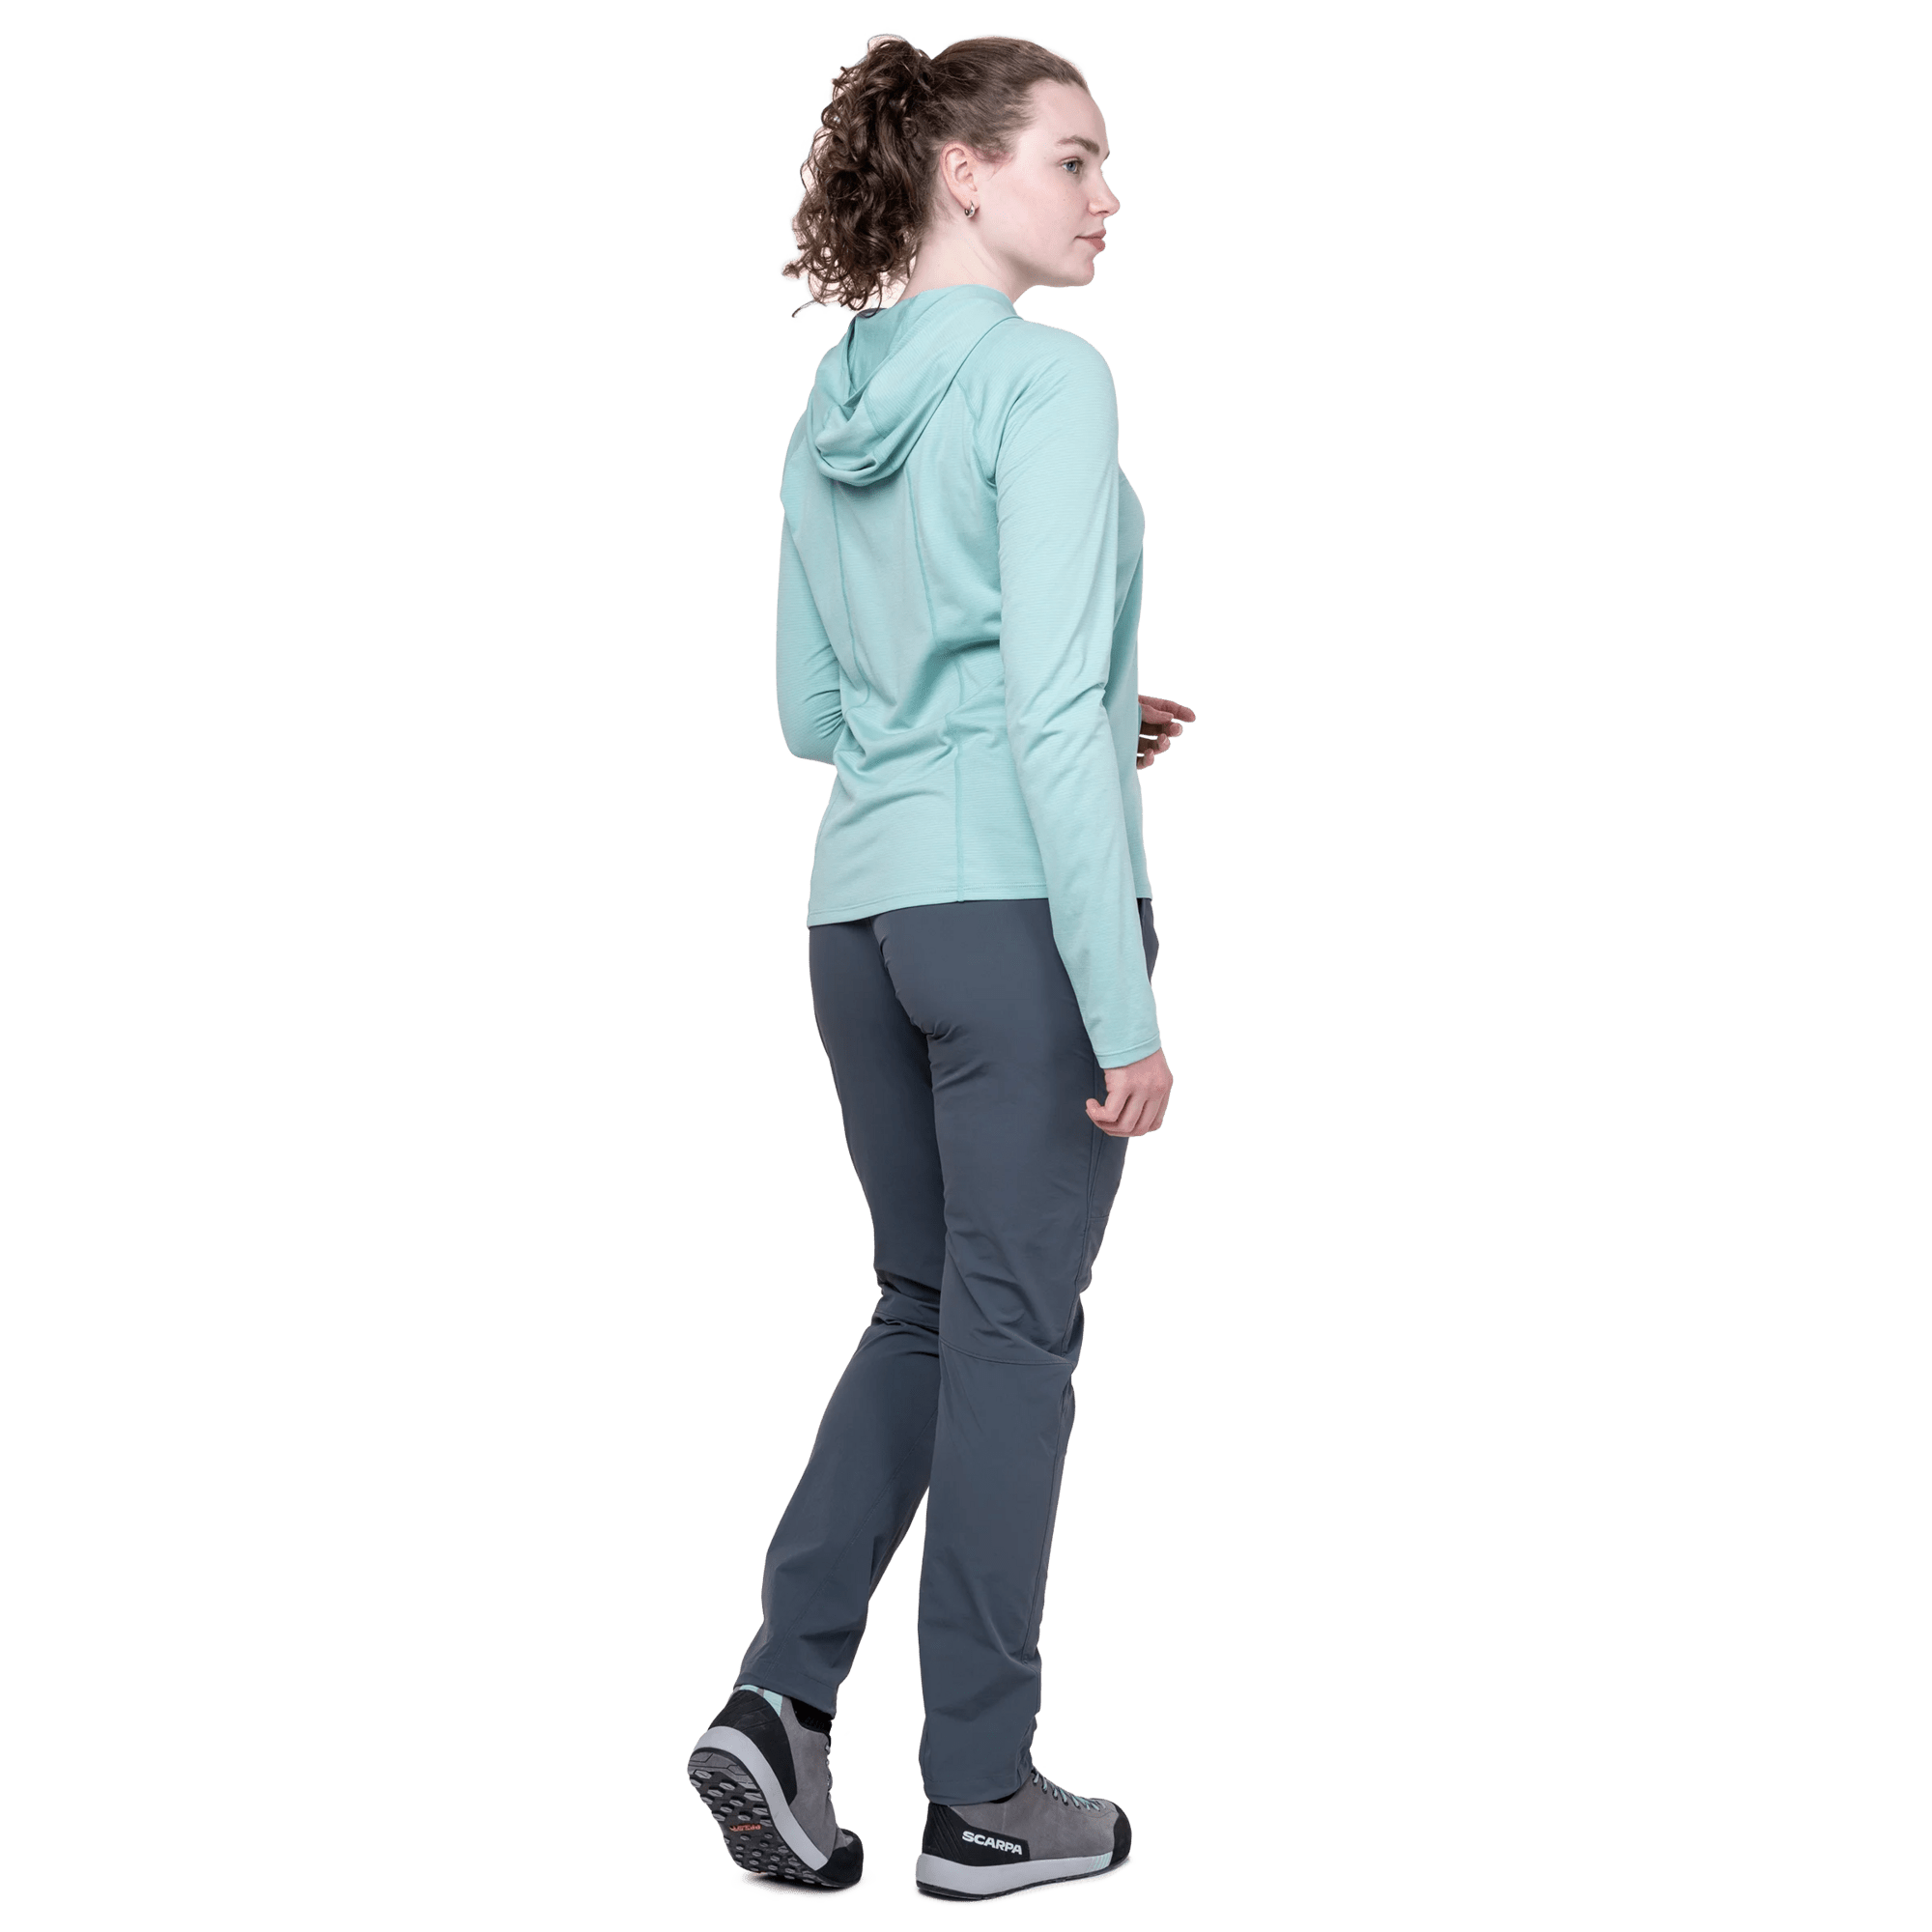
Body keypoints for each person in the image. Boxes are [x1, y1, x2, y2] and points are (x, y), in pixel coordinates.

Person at [684, 29, 1197, 1907]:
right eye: (1075, 158)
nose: (1107, 195)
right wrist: (1124, 1013)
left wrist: (1041, 722)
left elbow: (816, 713)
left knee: (924, 1308)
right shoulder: (1047, 382)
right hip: (1019, 926)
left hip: (861, 915)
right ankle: (982, 1797)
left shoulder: (828, 408)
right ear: (963, 174)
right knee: (1012, 1341)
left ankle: (778, 1699)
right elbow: (1037, 710)